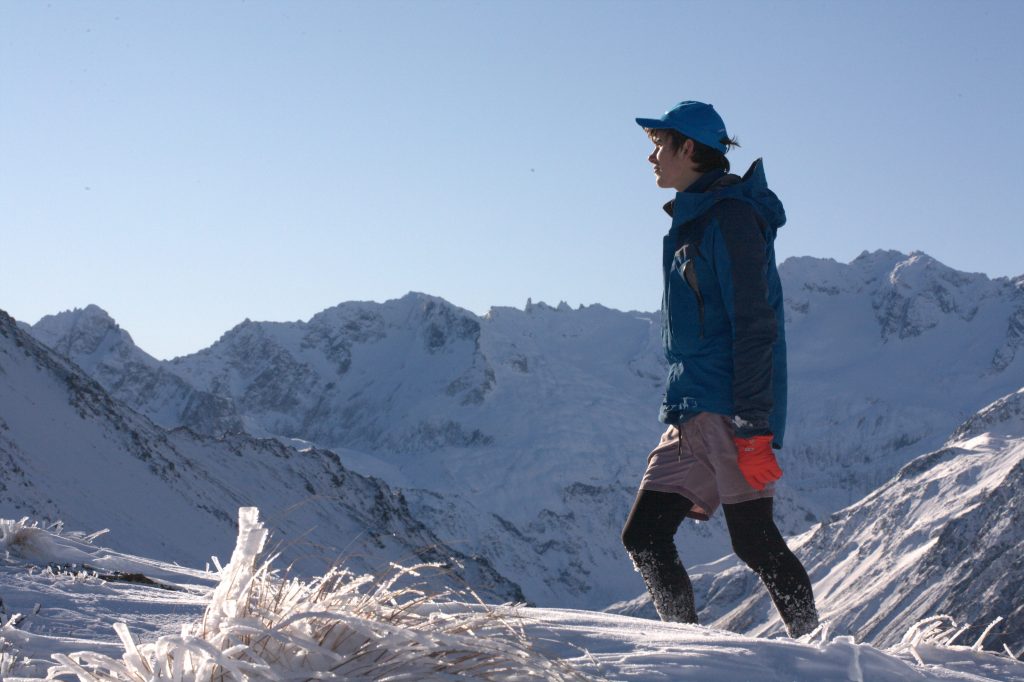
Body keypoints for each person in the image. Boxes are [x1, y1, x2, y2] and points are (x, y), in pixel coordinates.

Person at [621, 100, 819, 638]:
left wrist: (754, 426)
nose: (651, 157)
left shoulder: (730, 218)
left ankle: (821, 653)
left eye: (659, 145)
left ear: (689, 148)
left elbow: (755, 324)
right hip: (693, 406)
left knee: (754, 541)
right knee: (644, 537)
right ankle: (686, 653)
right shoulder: (694, 218)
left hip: (729, 407)